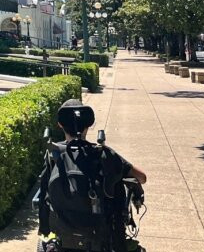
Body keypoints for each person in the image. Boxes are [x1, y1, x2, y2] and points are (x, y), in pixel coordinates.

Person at [38, 99, 146, 241]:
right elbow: (142, 177)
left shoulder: (54, 154)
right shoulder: (103, 154)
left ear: (60, 125)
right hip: (102, 232)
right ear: (88, 126)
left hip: (63, 228)